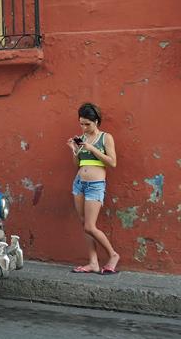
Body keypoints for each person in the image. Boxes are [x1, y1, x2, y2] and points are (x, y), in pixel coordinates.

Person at [67, 102, 119, 275]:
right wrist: (74, 150)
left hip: (95, 185)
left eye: (87, 124)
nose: (83, 127)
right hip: (79, 183)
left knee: (90, 226)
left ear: (96, 121)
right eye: (81, 123)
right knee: (84, 224)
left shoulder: (106, 138)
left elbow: (112, 162)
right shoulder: (82, 138)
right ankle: (93, 263)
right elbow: (78, 164)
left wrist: (91, 148)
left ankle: (113, 255)